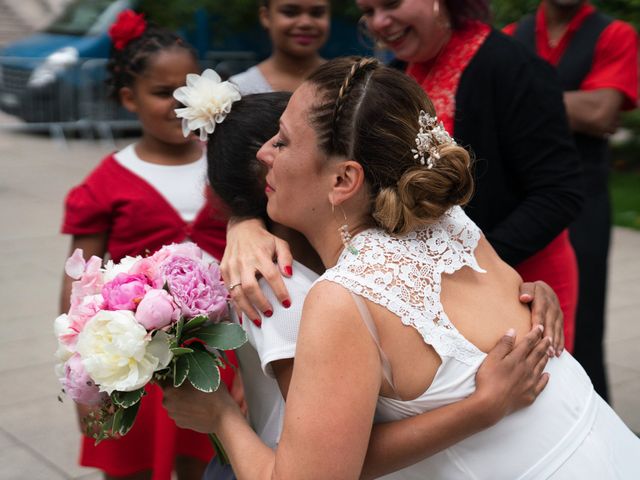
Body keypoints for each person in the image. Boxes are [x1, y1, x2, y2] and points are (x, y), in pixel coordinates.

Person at [166, 58, 640, 479]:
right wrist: (241, 221)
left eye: (282, 141)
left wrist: (219, 416)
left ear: (343, 179)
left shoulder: (342, 299)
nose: (264, 153)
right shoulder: (450, 221)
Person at [221, 0, 583, 355]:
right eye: (368, 11)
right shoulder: (391, 75)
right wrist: (245, 223)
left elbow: (558, 192)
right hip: (418, 283)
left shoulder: (512, 67)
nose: (380, 22)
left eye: (391, 4)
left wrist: (475, 268)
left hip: (519, 275)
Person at [59, 10, 236, 480]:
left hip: (219, 354)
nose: (177, 104)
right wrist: (85, 370)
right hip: (134, 363)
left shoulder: (225, 168)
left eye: (187, 90)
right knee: (136, 464)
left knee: (213, 459)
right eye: (162, 93)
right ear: (128, 98)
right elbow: (78, 281)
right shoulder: (106, 181)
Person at [504, 0, 639, 403]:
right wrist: (572, 103)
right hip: (521, 203)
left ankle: (594, 421)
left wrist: (517, 98)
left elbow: (601, 112)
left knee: (584, 320)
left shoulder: (614, 34)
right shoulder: (513, 34)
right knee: (519, 317)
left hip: (584, 203)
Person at [229, 0, 330, 94]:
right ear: (266, 17)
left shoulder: (343, 81)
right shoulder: (238, 91)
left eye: (317, 13)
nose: (305, 23)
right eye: (290, 12)